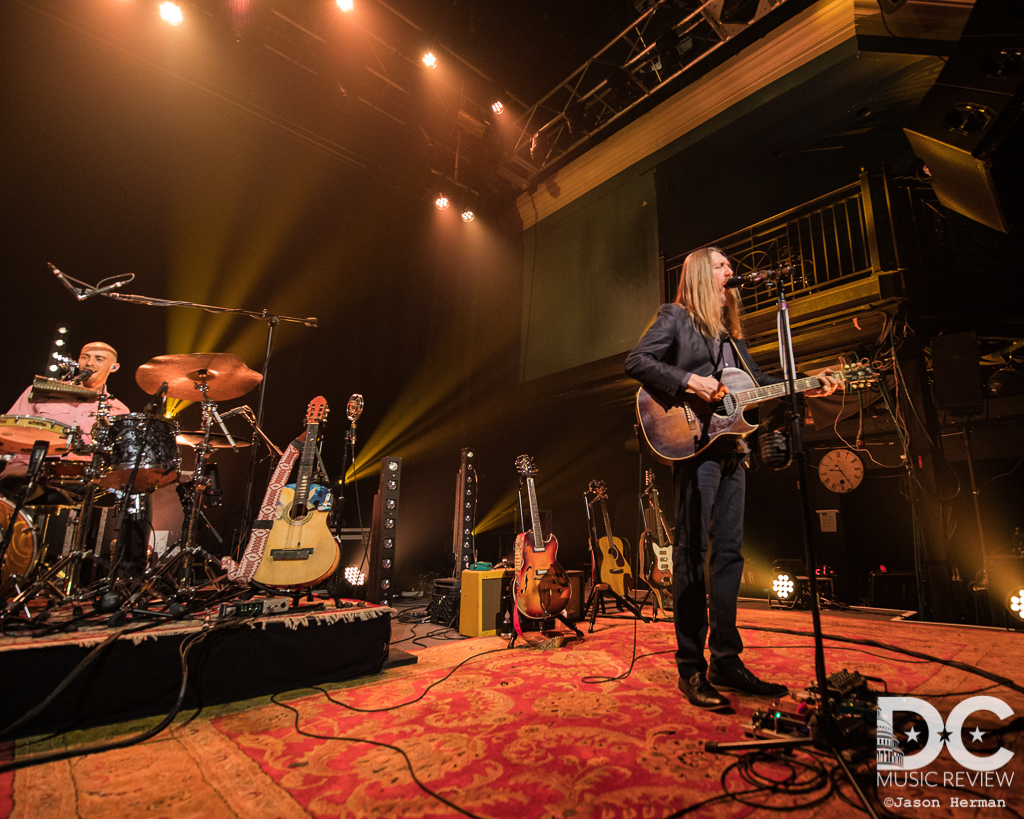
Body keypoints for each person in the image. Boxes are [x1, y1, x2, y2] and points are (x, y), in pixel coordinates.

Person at [625, 247, 839, 710]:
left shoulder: (732, 338)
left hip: (733, 453)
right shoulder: (676, 317)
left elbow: (760, 386)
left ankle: (726, 659)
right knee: (690, 554)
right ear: (704, 273)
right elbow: (637, 361)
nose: (732, 272)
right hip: (694, 449)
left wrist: (807, 382)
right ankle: (691, 667)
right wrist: (689, 382)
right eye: (723, 265)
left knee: (728, 556)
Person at [2, 341, 130, 480]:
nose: (90, 363)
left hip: (81, 478)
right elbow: (7, 432)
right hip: (27, 470)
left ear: (114, 367)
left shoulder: (118, 410)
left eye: (99, 359)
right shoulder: (42, 391)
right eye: (85, 357)